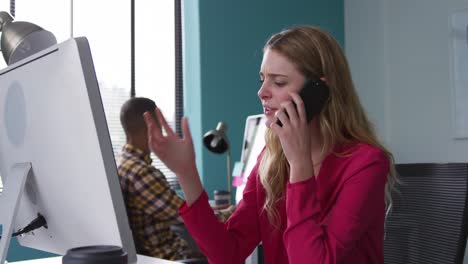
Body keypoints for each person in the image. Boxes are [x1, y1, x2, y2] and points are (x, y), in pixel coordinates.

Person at [143, 25, 397, 264]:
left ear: (319, 91)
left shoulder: (366, 163)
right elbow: (227, 254)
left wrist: (299, 166)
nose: (262, 92)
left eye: (278, 82)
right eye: (262, 79)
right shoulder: (272, 158)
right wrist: (187, 173)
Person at [116, 97, 194, 260]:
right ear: (150, 126)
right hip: (170, 258)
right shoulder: (141, 173)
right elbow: (191, 217)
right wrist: (234, 211)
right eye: (159, 125)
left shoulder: (123, 162)